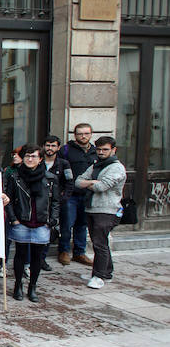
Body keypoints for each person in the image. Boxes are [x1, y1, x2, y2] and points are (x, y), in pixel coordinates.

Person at [4, 144, 60, 302]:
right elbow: (8, 199)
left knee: (37, 256)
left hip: (42, 222)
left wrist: (52, 220)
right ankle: (18, 284)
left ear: (40, 159)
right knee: (20, 255)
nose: (30, 159)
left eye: (33, 156)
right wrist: (13, 219)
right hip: (21, 221)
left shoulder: (50, 178)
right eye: (27, 156)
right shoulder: (15, 176)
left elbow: (55, 201)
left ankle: (33, 286)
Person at [76, 136, 126, 289]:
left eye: (105, 149)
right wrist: (93, 182)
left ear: (113, 150)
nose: (101, 152)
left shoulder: (116, 167)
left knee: (99, 244)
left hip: (107, 210)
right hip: (92, 207)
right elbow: (78, 181)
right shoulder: (96, 165)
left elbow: (102, 187)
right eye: (99, 149)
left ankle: (99, 276)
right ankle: (106, 272)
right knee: (100, 242)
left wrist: (90, 183)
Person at [58, 123, 97, 267]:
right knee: (67, 224)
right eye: (80, 133)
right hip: (70, 194)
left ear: (91, 134)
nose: (83, 136)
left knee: (82, 224)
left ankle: (80, 252)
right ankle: (64, 251)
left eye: (86, 133)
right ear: (75, 135)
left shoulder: (95, 151)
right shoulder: (66, 150)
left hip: (88, 194)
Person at [41, 135, 73, 271]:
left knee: (55, 229)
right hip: (41, 202)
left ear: (58, 147)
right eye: (48, 145)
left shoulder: (64, 164)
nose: (50, 148)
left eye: (53, 145)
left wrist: (63, 198)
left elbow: (70, 183)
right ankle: (38, 259)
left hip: (57, 203)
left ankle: (47, 257)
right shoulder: (38, 162)